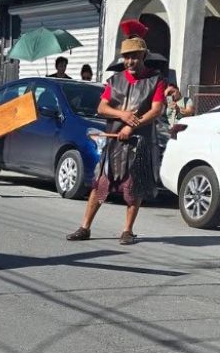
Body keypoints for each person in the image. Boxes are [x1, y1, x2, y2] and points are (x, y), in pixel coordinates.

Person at [66, 19, 165, 245]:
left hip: (139, 142)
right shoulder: (115, 80)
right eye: (127, 57)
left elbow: (156, 110)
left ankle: (127, 230)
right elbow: (102, 107)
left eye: (135, 56)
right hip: (113, 142)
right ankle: (85, 227)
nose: (130, 61)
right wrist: (122, 116)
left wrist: (133, 125)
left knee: (134, 187)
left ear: (143, 55)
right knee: (100, 185)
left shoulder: (155, 80)